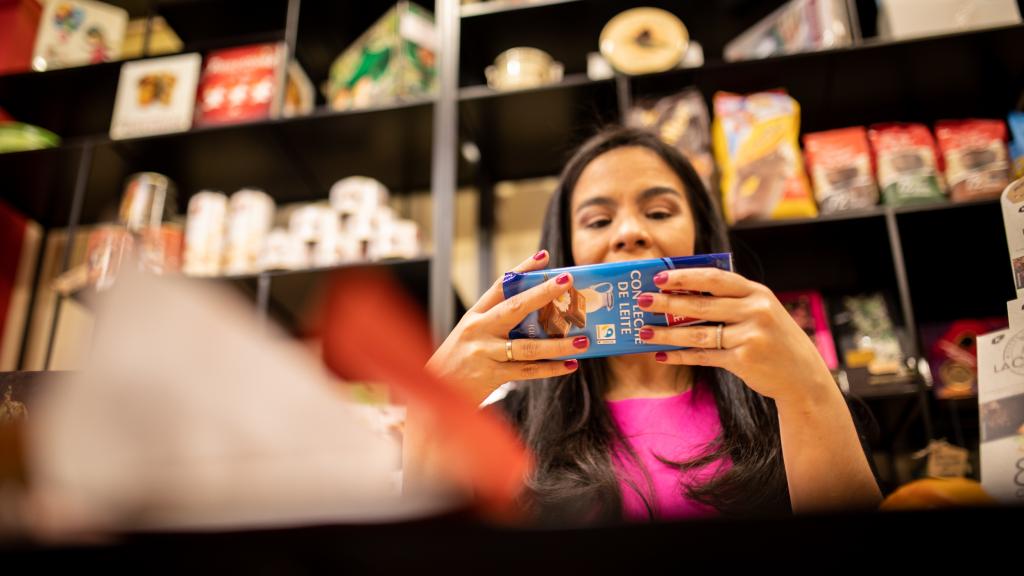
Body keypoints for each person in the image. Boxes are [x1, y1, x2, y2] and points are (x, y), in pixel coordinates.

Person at [426, 126, 882, 523]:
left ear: (699, 238)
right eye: (598, 220)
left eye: (660, 212)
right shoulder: (505, 429)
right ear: (566, 254)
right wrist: (430, 416)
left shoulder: (779, 402)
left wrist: (809, 391)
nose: (628, 232)